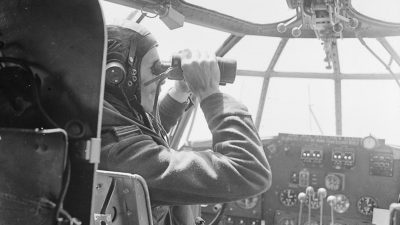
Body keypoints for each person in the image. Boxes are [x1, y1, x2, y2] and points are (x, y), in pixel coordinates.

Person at [99, 22, 272, 225]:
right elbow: (248, 171)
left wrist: (180, 92)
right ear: (117, 76)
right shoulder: (120, 153)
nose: (162, 78)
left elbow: (144, 134)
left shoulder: (104, 121)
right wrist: (210, 93)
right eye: (155, 69)